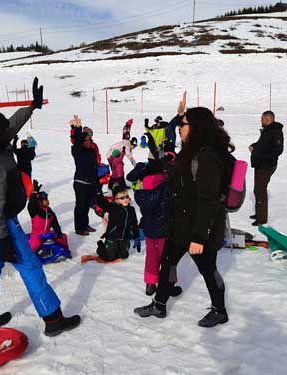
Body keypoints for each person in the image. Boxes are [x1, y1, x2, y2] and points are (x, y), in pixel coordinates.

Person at [0, 77, 80, 336]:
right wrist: (4, 240)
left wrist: (32, 106)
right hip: (1, 221)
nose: (7, 132)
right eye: (2, 129)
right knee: (30, 267)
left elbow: (11, 126)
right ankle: (52, 318)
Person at [134, 106, 230, 328]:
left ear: (195, 127)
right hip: (181, 224)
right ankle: (159, 305)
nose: (179, 129)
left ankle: (219, 310)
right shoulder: (190, 152)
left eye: (183, 124)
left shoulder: (207, 156)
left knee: (208, 269)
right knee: (168, 262)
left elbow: (209, 201)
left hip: (200, 229)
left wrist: (199, 237)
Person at [134, 156, 176, 296]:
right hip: (164, 229)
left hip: (149, 229)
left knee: (151, 256)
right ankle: (168, 285)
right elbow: (169, 208)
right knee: (167, 258)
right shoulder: (165, 187)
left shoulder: (143, 188)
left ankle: (150, 284)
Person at [248, 111, 284, 226]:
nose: (261, 121)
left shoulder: (275, 132)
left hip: (266, 165)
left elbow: (278, 150)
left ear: (268, 119)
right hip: (260, 164)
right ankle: (259, 213)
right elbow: (262, 144)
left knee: (260, 190)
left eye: (262, 119)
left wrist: (261, 155)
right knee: (257, 190)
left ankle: (262, 218)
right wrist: (254, 146)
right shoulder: (267, 131)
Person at [95, 185, 140, 262]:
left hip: (124, 238)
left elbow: (134, 223)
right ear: (116, 200)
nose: (125, 199)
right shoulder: (113, 208)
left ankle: (120, 248)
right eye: (122, 198)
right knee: (109, 258)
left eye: (126, 197)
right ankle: (101, 246)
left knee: (124, 256)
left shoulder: (131, 209)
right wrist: (99, 194)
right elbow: (102, 203)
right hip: (112, 237)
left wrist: (137, 237)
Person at [71, 115, 98, 236]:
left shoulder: (91, 151)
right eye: (85, 140)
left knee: (86, 206)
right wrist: (77, 128)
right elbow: (76, 141)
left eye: (89, 140)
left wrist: (96, 183)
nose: (88, 142)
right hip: (80, 183)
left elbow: (93, 168)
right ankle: (79, 227)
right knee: (80, 206)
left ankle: (85, 224)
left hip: (90, 183)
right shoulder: (77, 151)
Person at [28, 180, 68, 252]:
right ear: (40, 201)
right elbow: (31, 204)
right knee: (34, 244)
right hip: (37, 235)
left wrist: (59, 234)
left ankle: (65, 251)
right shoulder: (35, 211)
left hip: (47, 234)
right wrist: (35, 193)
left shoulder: (49, 211)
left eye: (47, 199)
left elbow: (55, 223)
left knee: (63, 237)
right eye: (45, 200)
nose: (48, 201)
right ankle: (29, 256)